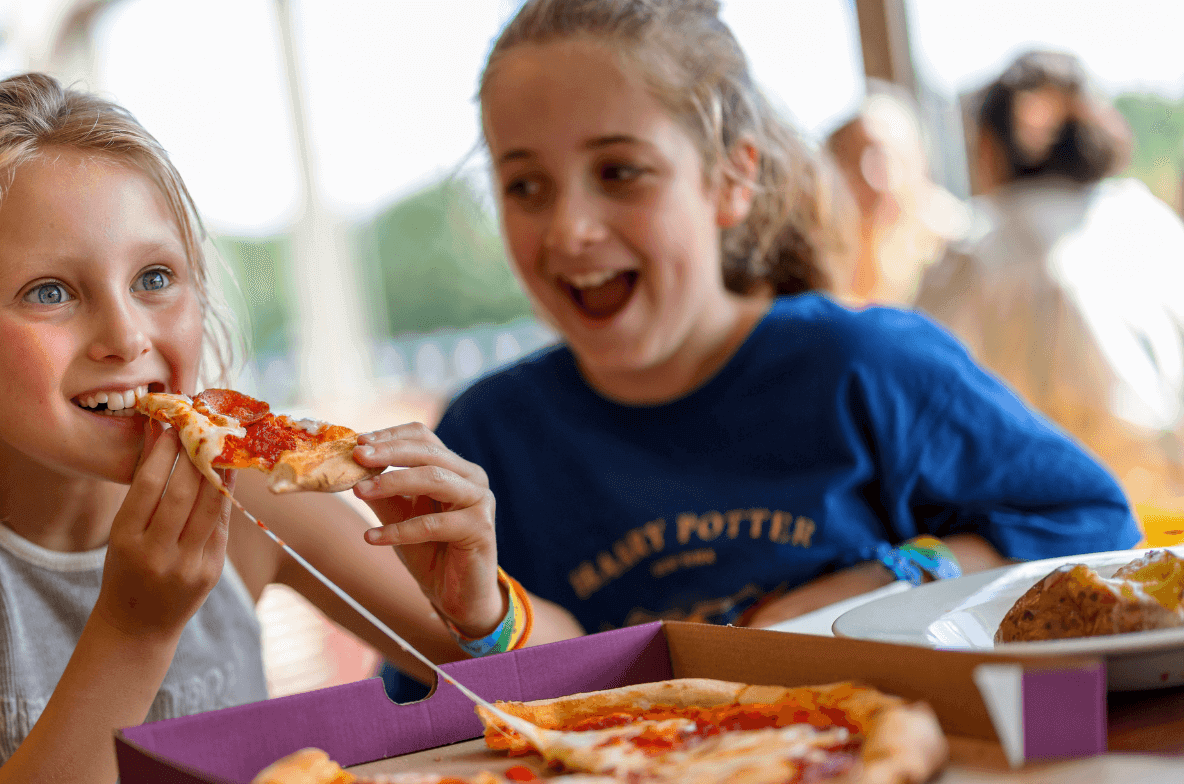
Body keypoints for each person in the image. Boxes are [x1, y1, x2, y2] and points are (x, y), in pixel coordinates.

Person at [0, 74, 577, 784]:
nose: (126, 335)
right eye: (50, 292)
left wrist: (482, 606)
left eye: (155, 278)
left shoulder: (247, 488)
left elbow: (576, 686)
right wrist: (132, 632)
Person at [383, 0, 1139, 702]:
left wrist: (892, 573)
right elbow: (467, 699)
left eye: (619, 172)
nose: (568, 229)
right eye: (525, 186)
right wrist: (479, 617)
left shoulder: (865, 363)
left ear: (732, 178)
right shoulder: (486, 436)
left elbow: (1094, 523)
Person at [915, 50, 1184, 517]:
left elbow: (918, 389)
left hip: (1061, 522)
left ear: (990, 147)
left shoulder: (978, 246)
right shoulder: (1149, 220)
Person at [825, 86, 968, 306]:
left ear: (920, 162)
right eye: (854, 167)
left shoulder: (959, 253)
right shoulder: (829, 276)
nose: (878, 183)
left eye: (886, 160)